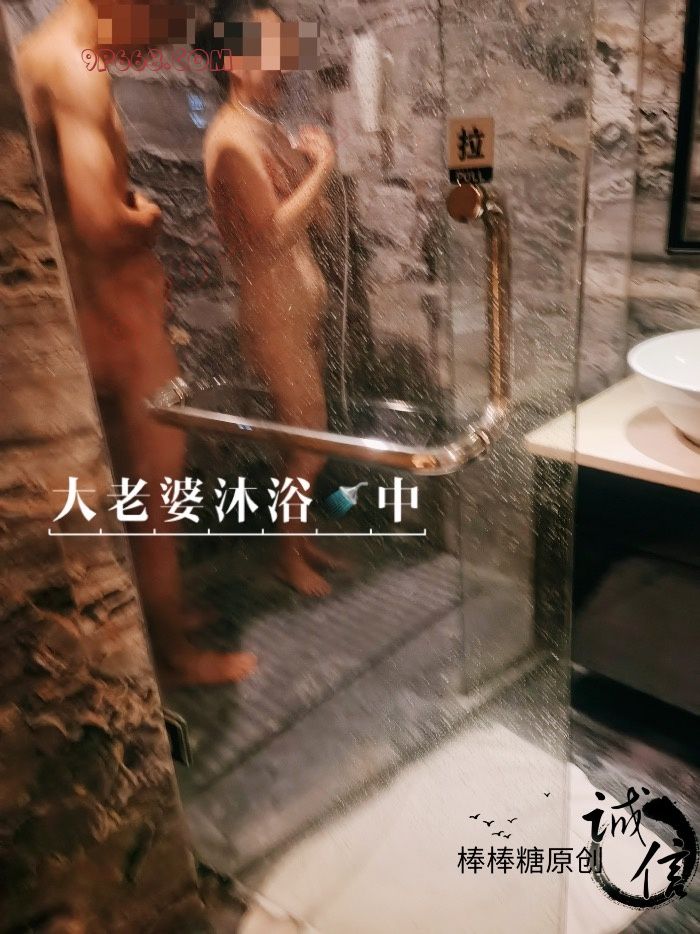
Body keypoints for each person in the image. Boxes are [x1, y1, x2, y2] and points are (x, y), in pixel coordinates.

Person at [16, 0, 256, 685]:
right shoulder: (76, 67)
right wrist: (145, 217)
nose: (155, 50)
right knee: (155, 501)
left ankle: (158, 625)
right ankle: (173, 657)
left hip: (95, 322)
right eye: (161, 24)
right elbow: (100, 225)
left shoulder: (48, 54)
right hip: (119, 331)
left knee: (128, 502)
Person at [203, 0, 347, 597]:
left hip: (295, 313)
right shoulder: (231, 140)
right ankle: (288, 559)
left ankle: (302, 540)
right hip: (273, 319)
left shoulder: (260, 128)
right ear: (234, 60)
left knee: (303, 436)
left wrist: (308, 173)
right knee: (309, 441)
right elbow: (268, 237)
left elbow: (315, 215)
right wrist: (323, 169)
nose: (285, 62)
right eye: (271, 49)